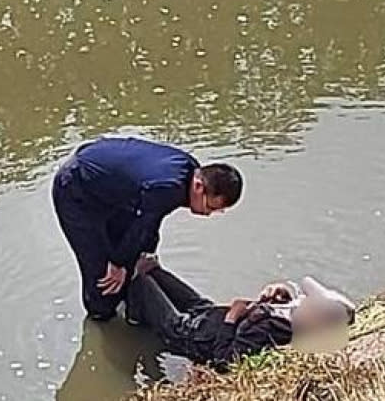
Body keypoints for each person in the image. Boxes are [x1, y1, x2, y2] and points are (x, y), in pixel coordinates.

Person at [51, 137, 243, 321]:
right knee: (103, 278)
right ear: (199, 187)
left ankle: (131, 305)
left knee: (131, 258)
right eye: (209, 207)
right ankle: (101, 318)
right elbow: (141, 226)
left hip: (110, 188)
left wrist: (144, 255)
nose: (208, 214)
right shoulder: (168, 187)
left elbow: (150, 222)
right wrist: (119, 265)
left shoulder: (189, 170)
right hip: (76, 190)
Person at [126, 255, 356, 370]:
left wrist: (231, 318)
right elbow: (294, 293)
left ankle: (132, 308)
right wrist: (281, 291)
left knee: (142, 281)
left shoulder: (269, 331)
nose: (302, 300)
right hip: (208, 313)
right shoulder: (297, 313)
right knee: (154, 270)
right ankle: (144, 284)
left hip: (191, 336)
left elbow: (224, 361)